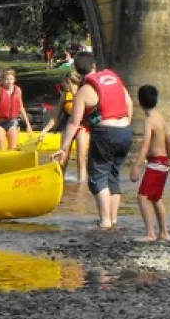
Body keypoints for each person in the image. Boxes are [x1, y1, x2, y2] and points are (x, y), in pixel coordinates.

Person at [51, 52, 132, 230]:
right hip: (125, 131)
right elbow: (128, 102)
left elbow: (74, 122)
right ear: (94, 65)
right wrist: (126, 125)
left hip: (105, 133)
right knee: (114, 176)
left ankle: (105, 221)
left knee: (97, 177)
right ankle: (114, 219)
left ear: (78, 71)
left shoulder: (84, 91)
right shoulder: (114, 78)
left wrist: (64, 148)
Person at [130, 85, 170, 243]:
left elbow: (145, 146)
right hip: (164, 161)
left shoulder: (149, 121)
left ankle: (150, 233)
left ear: (140, 102)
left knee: (142, 197)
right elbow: (168, 139)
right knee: (156, 198)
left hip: (155, 163)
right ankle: (164, 232)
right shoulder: (160, 117)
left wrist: (136, 166)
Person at [42, 71, 88, 182]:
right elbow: (55, 117)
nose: (65, 86)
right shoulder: (64, 96)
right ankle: (59, 182)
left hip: (82, 127)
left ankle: (81, 184)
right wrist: (45, 130)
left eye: (67, 83)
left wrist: (75, 93)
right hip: (68, 127)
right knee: (63, 159)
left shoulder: (84, 93)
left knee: (81, 159)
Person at [0, 69, 33, 151]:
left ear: (14, 80)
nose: (9, 82)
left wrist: (28, 125)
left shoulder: (17, 90)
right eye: (7, 79)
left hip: (12, 122)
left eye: (11, 79)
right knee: (2, 149)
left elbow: (21, 107)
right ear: (3, 80)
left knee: (13, 149)